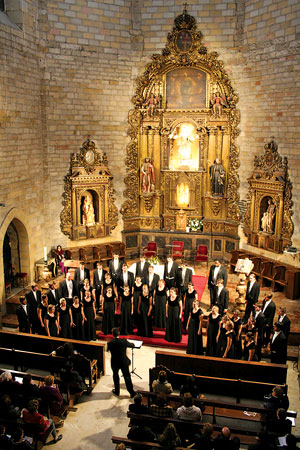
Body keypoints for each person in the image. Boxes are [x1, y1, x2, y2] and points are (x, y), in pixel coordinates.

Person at [107, 327, 136, 398]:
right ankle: (131, 392)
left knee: (115, 376)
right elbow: (132, 345)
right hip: (123, 361)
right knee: (127, 376)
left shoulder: (110, 343)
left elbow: (107, 350)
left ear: (112, 334)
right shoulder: (123, 341)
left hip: (114, 362)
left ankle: (117, 391)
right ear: (119, 333)